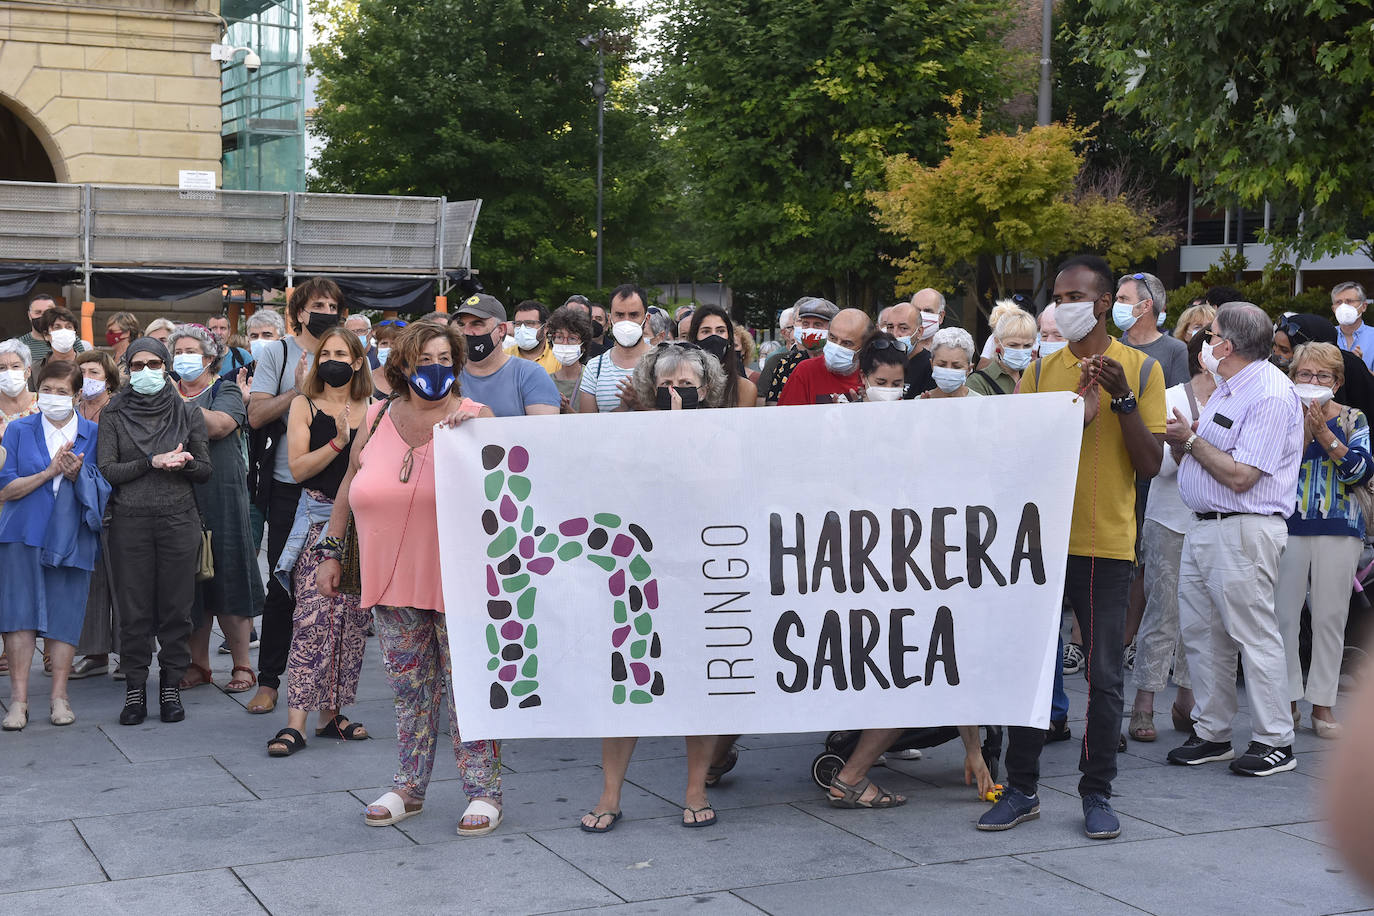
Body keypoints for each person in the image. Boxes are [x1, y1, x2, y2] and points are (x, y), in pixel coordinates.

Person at [980, 255, 1165, 841]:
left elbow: (1151, 464)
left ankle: (1097, 791)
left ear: (1105, 303)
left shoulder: (1142, 369)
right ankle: (1021, 789)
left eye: (1075, 297)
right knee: (1032, 670)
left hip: (1105, 543)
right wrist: (1073, 416)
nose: (1063, 307)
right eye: (1058, 298)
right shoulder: (1040, 371)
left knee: (1104, 675)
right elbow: (1017, 454)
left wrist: (1122, 401)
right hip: (1038, 545)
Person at [313, 322, 504, 836]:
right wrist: (331, 550)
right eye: (423, 361)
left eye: (444, 360)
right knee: (409, 690)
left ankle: (483, 790)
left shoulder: (476, 418)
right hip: (391, 580)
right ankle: (409, 786)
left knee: (467, 688)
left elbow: (502, 495)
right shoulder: (377, 415)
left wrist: (475, 441)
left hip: (459, 581)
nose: (434, 370)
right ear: (401, 365)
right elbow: (349, 483)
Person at [583, 342, 727, 832]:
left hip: (698, 572)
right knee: (627, 677)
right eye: (666, 385)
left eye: (686, 385)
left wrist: (683, 436)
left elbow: (718, 492)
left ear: (707, 390)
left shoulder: (724, 434)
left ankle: (695, 789)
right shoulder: (628, 435)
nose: (675, 392)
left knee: (697, 681)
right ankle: (610, 794)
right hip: (637, 573)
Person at [1165, 302, 1304, 776]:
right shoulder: (1230, 387)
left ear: (1227, 345)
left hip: (1244, 526)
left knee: (1253, 636)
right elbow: (1209, 454)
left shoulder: (1269, 393)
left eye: (1211, 334)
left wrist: (1189, 441)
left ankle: (1275, 740)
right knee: (1203, 634)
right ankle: (1213, 732)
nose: (1204, 341)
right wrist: (1188, 441)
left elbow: (1243, 476)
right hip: (1207, 525)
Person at [266, 327, 375, 757]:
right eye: (324, 353)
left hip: (364, 525)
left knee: (351, 625)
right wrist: (338, 442)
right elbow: (297, 469)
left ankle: (332, 715)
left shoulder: (375, 408)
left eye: (341, 354)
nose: (331, 360)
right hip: (317, 520)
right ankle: (295, 723)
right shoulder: (304, 405)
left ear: (357, 361)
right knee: (311, 620)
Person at [98, 337, 212, 725]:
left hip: (178, 520)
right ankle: (135, 687)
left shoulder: (188, 412)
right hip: (129, 522)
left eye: (153, 364)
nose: (145, 371)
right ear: (128, 369)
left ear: (166, 367)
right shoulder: (113, 412)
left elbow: (205, 470)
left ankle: (170, 684)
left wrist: (184, 463)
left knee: (177, 608)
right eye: (137, 365)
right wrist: (151, 461)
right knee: (134, 611)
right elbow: (107, 470)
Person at [246, 278, 345, 715]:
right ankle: (269, 681)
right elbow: (255, 415)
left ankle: (329, 696)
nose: (326, 312)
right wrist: (298, 392)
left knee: (335, 590)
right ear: (300, 313)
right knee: (282, 583)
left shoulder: (347, 351)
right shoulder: (279, 354)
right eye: (317, 305)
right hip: (289, 486)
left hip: (339, 487)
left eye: (333, 306)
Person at [0, 361, 109, 729]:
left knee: (65, 614)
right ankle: (18, 701)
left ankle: (59, 697)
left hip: (72, 535)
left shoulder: (93, 433)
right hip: (21, 533)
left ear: (76, 395)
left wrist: (78, 476)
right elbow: (5, 488)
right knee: (18, 616)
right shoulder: (19, 430)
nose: (53, 396)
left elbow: (104, 484)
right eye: (46, 389)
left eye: (62, 391)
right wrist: (49, 472)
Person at [1274, 342, 1372, 738]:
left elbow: (1360, 470)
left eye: (1322, 375)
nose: (1313, 381)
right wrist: (1303, 430)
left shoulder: (1352, 417)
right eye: (1305, 374)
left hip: (1340, 527)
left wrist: (1324, 435)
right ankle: (1286, 702)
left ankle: (1323, 706)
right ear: (1293, 377)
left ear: (1337, 381)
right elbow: (1273, 464)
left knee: (1330, 619)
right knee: (1282, 617)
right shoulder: (1280, 413)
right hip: (1288, 526)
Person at [169, 325, 261, 695]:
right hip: (178, 495)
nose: (183, 358)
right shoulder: (168, 389)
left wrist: (172, 404)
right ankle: (198, 665)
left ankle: (242, 665)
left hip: (222, 494)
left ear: (209, 357)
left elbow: (220, 425)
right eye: (177, 351)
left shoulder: (225, 389)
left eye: (190, 350)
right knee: (190, 584)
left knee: (229, 576)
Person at [1129, 331, 1210, 741]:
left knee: (1204, 616)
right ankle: (1143, 704)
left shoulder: (1237, 401)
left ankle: (1186, 701)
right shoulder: (1171, 396)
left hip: (1213, 521)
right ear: (1203, 357)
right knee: (1161, 613)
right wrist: (1184, 447)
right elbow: (1155, 467)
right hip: (1169, 520)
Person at [71, 349, 122, 680]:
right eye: (83, 372)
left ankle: (130, 654)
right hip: (79, 503)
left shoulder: (118, 408)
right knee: (89, 580)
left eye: (94, 372)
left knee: (124, 580)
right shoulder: (71, 408)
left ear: (109, 379)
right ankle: (94, 653)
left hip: (117, 501)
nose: (87, 378)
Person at [453, 294, 560, 418]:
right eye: (462, 324)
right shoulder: (450, 374)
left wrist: (482, 421)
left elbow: (545, 427)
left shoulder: (530, 375)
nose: (466, 332)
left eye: (477, 324)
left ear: (501, 330)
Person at [1273, 312, 1374, 423]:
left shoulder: (1352, 367)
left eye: (1284, 350)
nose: (1276, 353)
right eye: (1274, 346)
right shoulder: (1273, 372)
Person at [579, 285, 654, 413]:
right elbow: (587, 422)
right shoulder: (595, 368)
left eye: (633, 315)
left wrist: (640, 406)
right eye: (619, 315)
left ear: (646, 319)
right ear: (610, 319)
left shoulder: (663, 362)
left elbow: (674, 418)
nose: (626, 321)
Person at [778, 308, 870, 405]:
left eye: (846, 343)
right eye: (832, 338)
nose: (836, 347)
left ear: (864, 347)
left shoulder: (873, 376)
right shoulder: (805, 371)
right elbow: (787, 414)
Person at [1115, 272, 1191, 387]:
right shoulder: (1114, 347)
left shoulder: (1175, 351)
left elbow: (1178, 396)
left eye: (1123, 299)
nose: (1117, 304)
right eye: (1117, 299)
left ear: (1146, 305)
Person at [763, 298, 837, 404]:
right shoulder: (786, 364)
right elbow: (774, 406)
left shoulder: (840, 365)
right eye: (805, 324)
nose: (810, 329)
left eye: (817, 324)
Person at [688, 305, 758, 408]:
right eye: (706, 331)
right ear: (695, 338)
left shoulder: (745, 389)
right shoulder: (682, 383)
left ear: (729, 338)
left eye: (720, 331)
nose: (714, 337)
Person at [626, 340, 728, 410]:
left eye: (686, 383)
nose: (674, 393)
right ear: (654, 390)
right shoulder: (643, 430)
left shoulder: (715, 430)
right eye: (667, 383)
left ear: (702, 392)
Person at [968, 309, 1036, 395]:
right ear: (997, 342)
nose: (1020, 351)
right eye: (1013, 345)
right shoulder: (979, 381)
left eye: (1027, 345)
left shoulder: (1036, 378)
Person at [545, 305, 592, 413]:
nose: (565, 343)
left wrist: (566, 409)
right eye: (559, 337)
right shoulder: (546, 381)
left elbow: (593, 421)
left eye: (572, 338)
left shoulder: (591, 379)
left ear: (583, 345)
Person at [915, 327, 982, 399]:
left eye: (956, 366)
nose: (948, 370)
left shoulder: (980, 402)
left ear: (969, 369)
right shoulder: (920, 401)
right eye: (941, 365)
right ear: (932, 364)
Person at [755, 303, 802, 405]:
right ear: (783, 333)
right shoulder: (776, 360)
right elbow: (762, 398)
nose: (800, 329)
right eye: (792, 327)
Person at [504, 300, 560, 373]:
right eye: (518, 323)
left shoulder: (558, 357)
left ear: (545, 327)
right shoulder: (504, 357)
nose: (522, 329)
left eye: (530, 323)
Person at [1332, 281, 1374, 370]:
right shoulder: (1325, 336)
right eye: (1339, 302)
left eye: (1349, 301)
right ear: (1333, 309)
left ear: (1364, 306)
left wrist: (1359, 367)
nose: (1343, 306)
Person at [370, 318, 406, 397]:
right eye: (384, 343)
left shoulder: (414, 379)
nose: (389, 348)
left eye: (395, 343)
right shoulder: (366, 378)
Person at [18, 294, 58, 364]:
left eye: (48, 312)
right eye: (38, 312)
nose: (43, 316)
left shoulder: (70, 340)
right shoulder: (19, 345)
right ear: (29, 315)